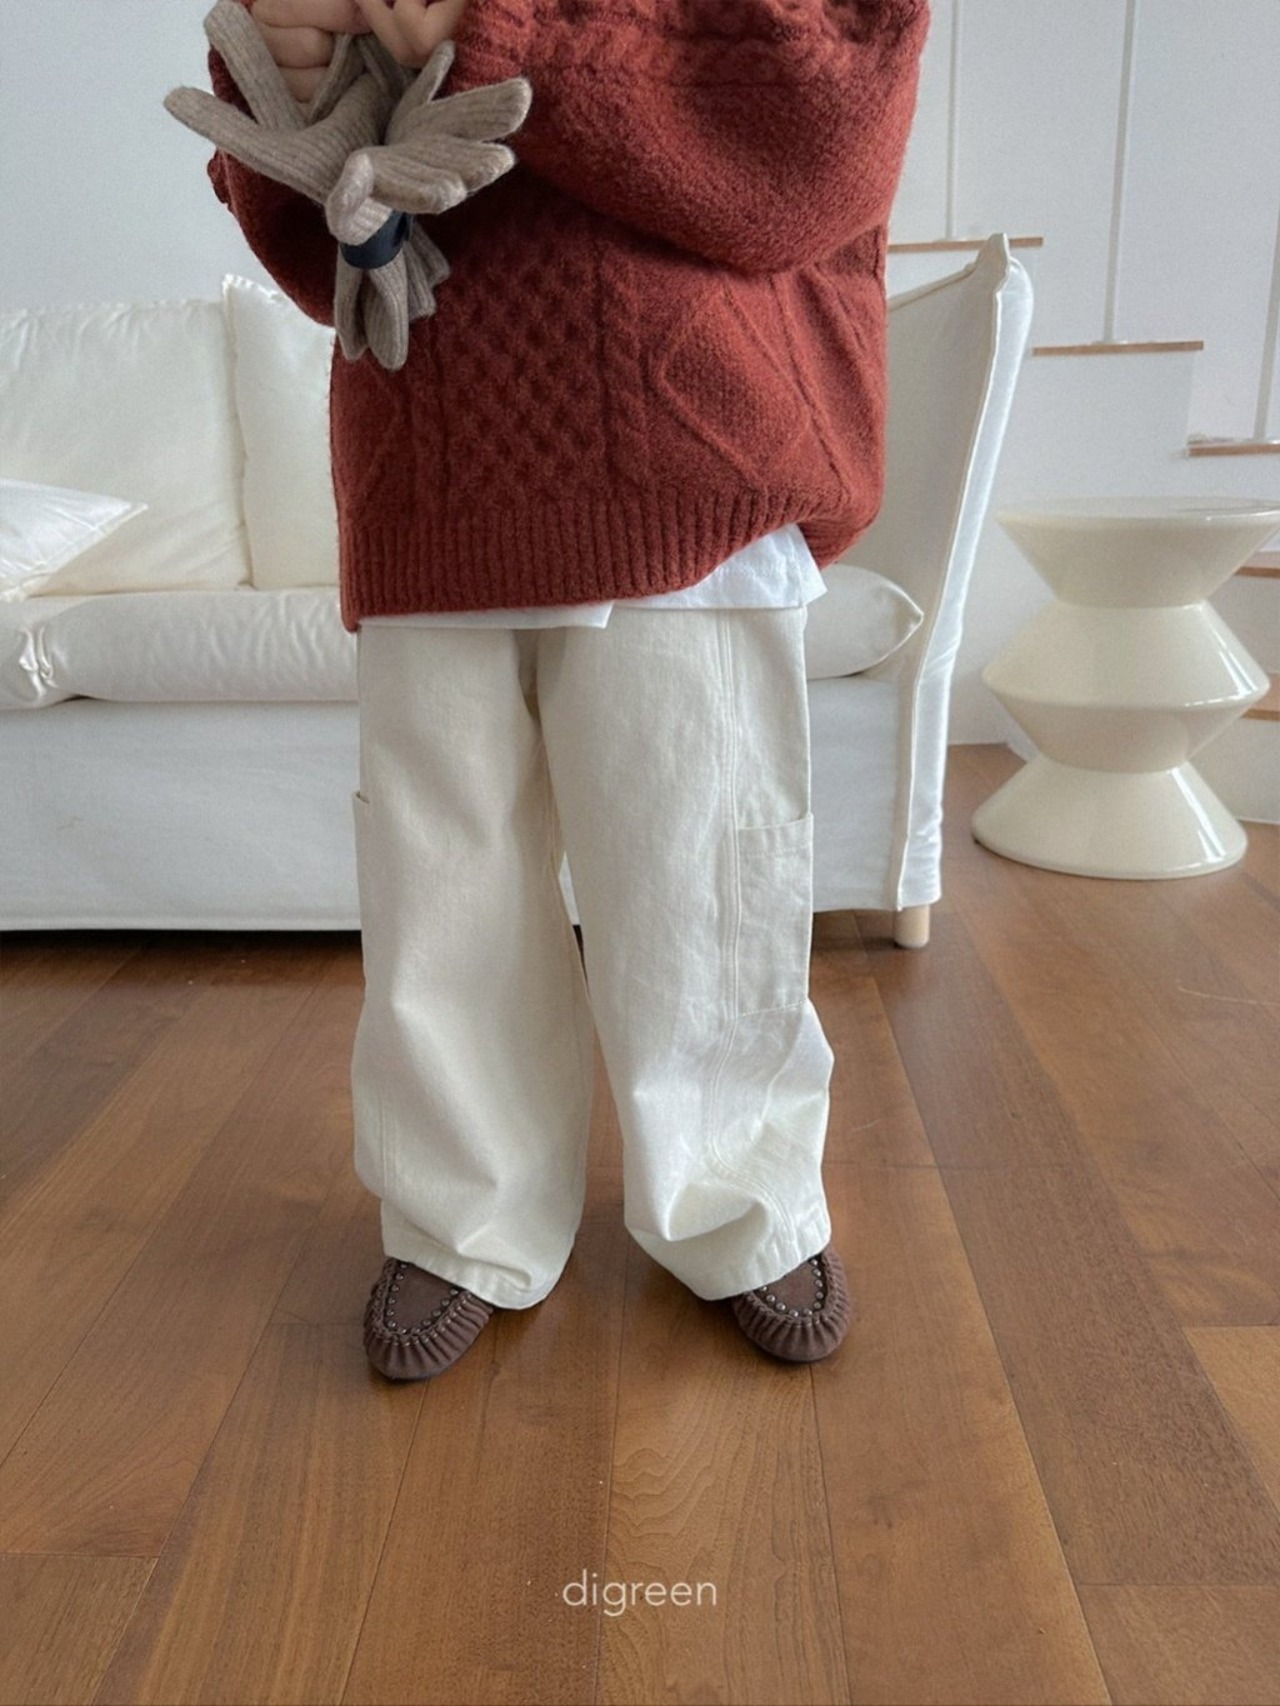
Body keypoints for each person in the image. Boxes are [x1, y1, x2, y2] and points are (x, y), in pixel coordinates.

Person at [204, 0, 929, 1379]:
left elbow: (832, 129)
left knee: (699, 870)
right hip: (428, 456)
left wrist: (497, 22)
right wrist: (287, 80)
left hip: (688, 458)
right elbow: (325, 239)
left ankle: (737, 1197)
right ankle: (458, 1214)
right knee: (439, 883)